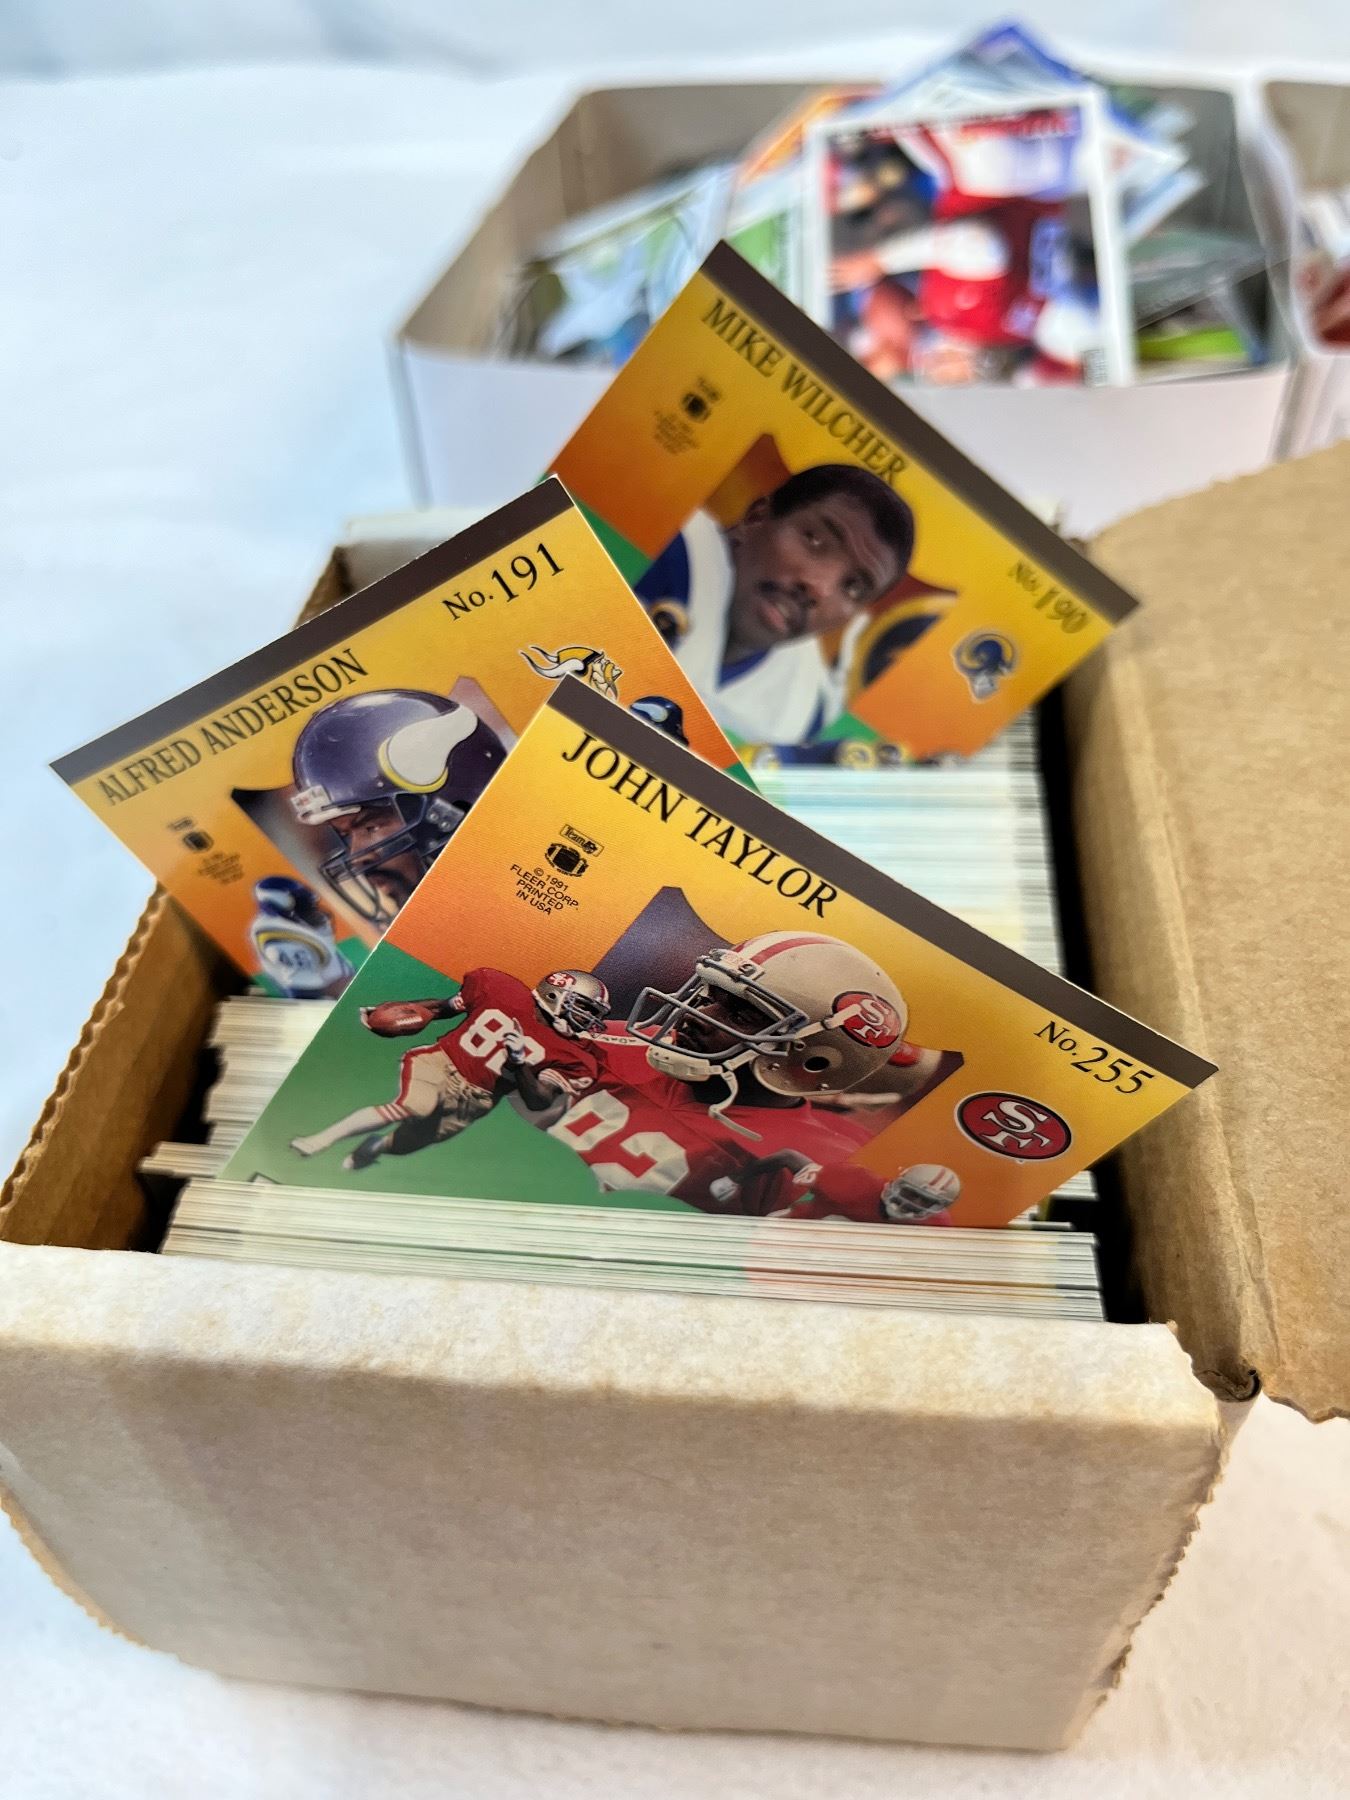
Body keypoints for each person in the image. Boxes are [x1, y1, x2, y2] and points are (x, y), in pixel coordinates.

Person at [544, 931, 914, 1206]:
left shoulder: (820, 1160)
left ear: (814, 1059)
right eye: (711, 997)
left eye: (741, 1014)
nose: (698, 1016)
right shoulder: (621, 1044)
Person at [634, 464, 915, 743]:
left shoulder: (804, 710)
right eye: (815, 540)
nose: (819, 588)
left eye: (853, 587)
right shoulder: (664, 545)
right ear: (756, 518)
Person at [288, 968, 609, 1171]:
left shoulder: (575, 1056)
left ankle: (375, 1146)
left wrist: (519, 1062)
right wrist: (395, 1013)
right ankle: (320, 1139)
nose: (588, 1018)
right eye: (584, 1007)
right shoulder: (498, 989)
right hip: (442, 1062)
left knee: (409, 1143)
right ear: (555, 994)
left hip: (477, 1099)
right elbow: (442, 1007)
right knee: (414, 1105)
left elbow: (539, 1100)